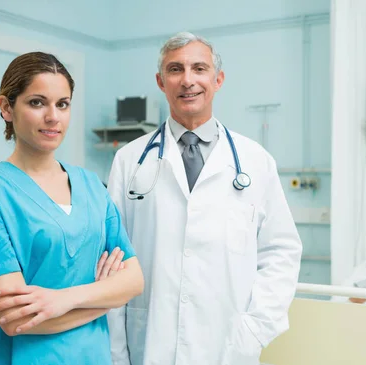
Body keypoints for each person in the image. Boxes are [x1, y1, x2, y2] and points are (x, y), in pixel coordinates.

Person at [106, 32, 302, 365]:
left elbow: (280, 251)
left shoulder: (256, 161)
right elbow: (112, 258)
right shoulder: (130, 160)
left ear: (218, 79)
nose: (188, 80)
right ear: (160, 81)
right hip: (150, 341)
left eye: (199, 68)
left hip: (227, 346)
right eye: (175, 69)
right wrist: (116, 350)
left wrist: (254, 330)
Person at [0, 52, 144, 365]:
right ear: (7, 107)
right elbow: (16, 319)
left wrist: (63, 300)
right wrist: (106, 297)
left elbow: (134, 281)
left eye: (63, 104)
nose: (53, 117)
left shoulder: (90, 186)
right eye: (37, 102)